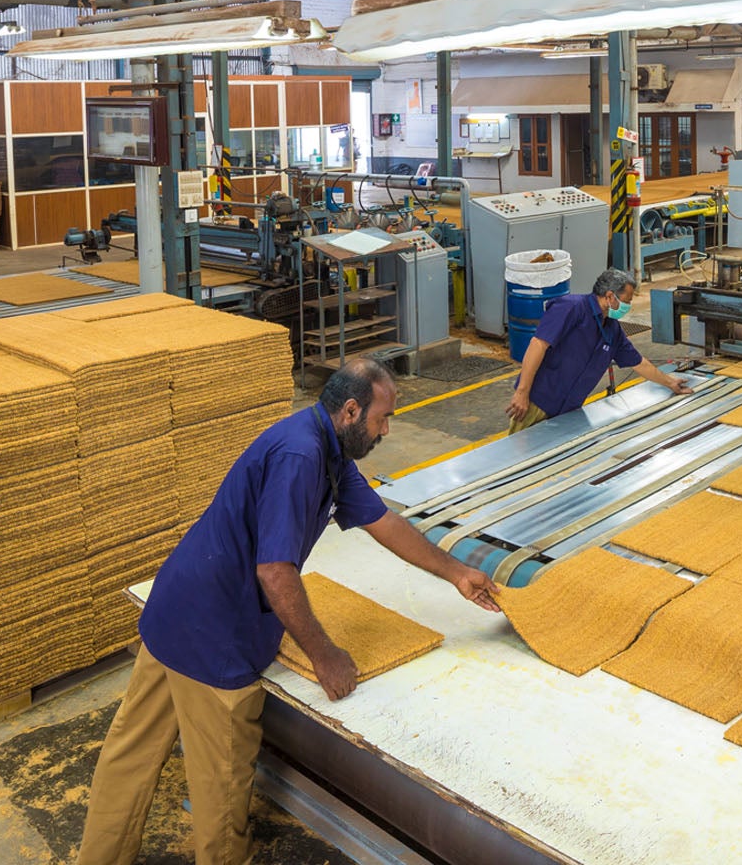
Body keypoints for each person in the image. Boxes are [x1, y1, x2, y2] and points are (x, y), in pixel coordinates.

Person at [76, 357, 501, 865]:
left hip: (176, 609)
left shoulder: (328, 451)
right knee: (222, 782)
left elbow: (383, 521)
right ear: (350, 411)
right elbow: (274, 571)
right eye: (382, 419)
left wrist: (457, 572)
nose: (386, 430)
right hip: (217, 633)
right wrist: (324, 655)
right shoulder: (300, 455)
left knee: (131, 755)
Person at [505, 267, 692, 434]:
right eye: (626, 301)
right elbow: (538, 344)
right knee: (519, 462)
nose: (628, 307)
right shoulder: (571, 308)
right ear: (610, 296)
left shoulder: (612, 329)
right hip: (536, 402)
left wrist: (670, 383)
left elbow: (639, 363)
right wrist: (522, 392)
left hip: (569, 411)